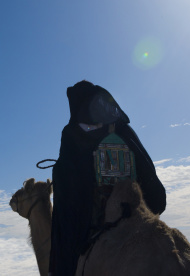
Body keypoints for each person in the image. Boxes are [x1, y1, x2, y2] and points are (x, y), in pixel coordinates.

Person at [49, 80, 166, 276]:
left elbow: (67, 197)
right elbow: (153, 185)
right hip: (139, 214)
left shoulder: (72, 134)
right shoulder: (124, 130)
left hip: (91, 225)